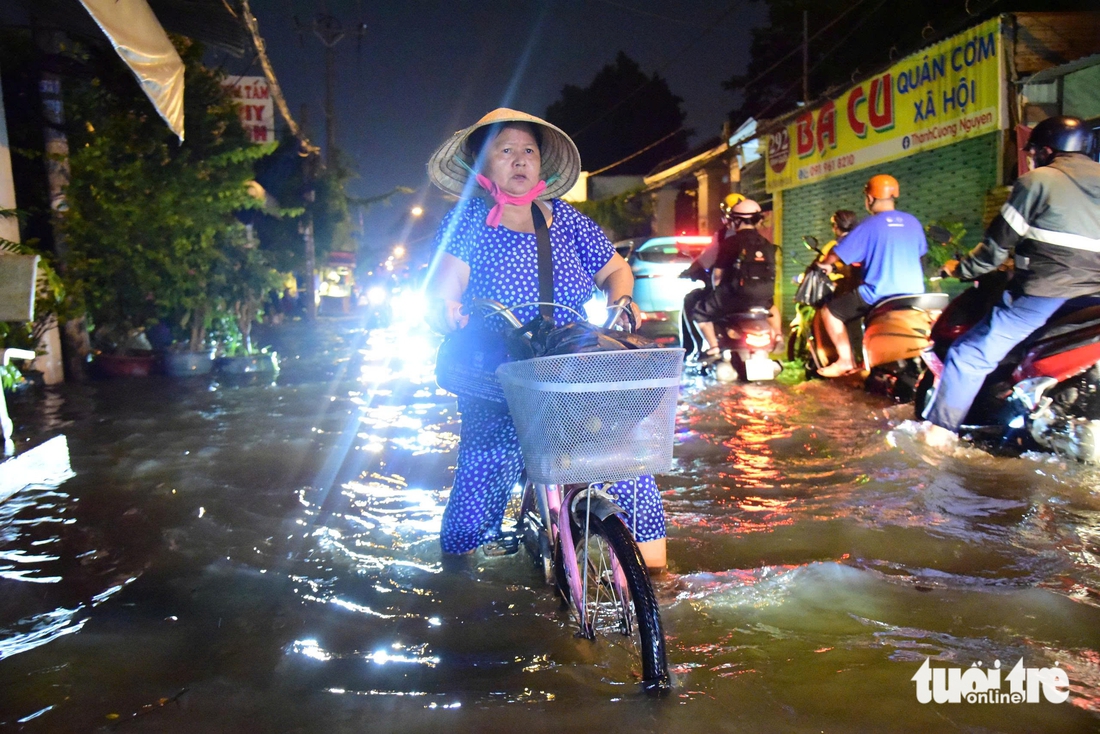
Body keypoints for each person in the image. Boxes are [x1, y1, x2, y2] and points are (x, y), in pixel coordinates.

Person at [423, 108, 667, 570]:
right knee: (483, 473)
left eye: (528, 151)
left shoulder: (567, 220)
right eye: (506, 150)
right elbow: (445, 281)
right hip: (497, 372)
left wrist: (623, 299)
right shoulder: (469, 220)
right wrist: (447, 306)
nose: (520, 160)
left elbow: (616, 268)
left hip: (569, 365)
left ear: (541, 163)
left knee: (628, 471)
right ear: (481, 165)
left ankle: (657, 585)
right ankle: (457, 589)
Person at [919, 116, 1100, 449]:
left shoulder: (1038, 181)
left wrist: (961, 269)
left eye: (1033, 152)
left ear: (1047, 150)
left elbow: (994, 250)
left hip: (1047, 291)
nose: (1031, 158)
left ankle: (937, 439)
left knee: (968, 353)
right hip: (1092, 298)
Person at [816, 174, 927, 377]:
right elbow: (920, 252)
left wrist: (824, 265)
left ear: (869, 198)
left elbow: (838, 253)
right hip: (914, 294)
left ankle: (845, 360)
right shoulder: (913, 222)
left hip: (879, 294)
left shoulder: (870, 225)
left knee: (830, 312)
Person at [683, 197, 778, 362]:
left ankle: (713, 347)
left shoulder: (728, 241)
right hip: (763, 298)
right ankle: (778, 336)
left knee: (700, 312)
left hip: (733, 298)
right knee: (772, 308)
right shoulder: (766, 243)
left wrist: (716, 289)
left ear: (736, 220)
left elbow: (716, 273)